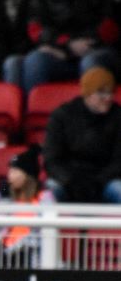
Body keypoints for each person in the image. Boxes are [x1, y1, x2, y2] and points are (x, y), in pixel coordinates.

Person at [43, 66, 121, 203]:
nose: (108, 98)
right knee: (48, 196)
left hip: (106, 181)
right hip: (68, 180)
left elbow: (118, 161)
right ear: (88, 93)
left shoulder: (118, 117)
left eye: (111, 93)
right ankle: (45, 225)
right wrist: (70, 181)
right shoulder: (62, 115)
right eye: (101, 93)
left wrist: (98, 182)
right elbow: (52, 159)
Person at [17, 0, 119, 93]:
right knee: (35, 60)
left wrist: (79, 46)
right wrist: (67, 45)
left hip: (95, 49)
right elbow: (37, 30)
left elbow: (109, 27)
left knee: (90, 62)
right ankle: (36, 111)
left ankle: (91, 111)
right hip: (60, 53)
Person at [0, 144, 54, 263]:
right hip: (4, 256)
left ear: (28, 175)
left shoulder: (44, 198)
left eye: (15, 171)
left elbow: (42, 233)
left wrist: (16, 247)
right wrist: (4, 198)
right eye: (9, 171)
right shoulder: (9, 198)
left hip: (29, 255)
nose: (10, 176)